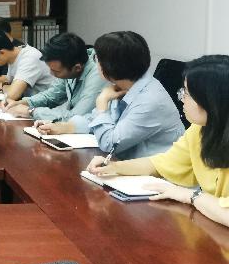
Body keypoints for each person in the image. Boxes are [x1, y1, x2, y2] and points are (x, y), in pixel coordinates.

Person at [87, 55, 229, 228]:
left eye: (186, 93)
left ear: (211, 101)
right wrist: (114, 167)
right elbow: (160, 164)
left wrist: (190, 196)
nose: (181, 98)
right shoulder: (199, 130)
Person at [40, 31, 184, 160]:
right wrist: (65, 127)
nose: (94, 62)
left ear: (108, 67)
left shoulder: (150, 101)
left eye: (96, 59)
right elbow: (99, 121)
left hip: (158, 176)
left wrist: (102, 103)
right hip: (126, 165)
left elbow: (109, 144)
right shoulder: (125, 84)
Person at [3, 32, 106, 121]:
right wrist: (24, 103)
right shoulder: (71, 63)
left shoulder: (98, 73)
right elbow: (52, 95)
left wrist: (31, 111)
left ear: (77, 68)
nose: (52, 74)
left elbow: (77, 117)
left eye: (56, 71)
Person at [0, 26, 55, 101]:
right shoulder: (15, 56)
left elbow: (13, 94)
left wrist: (2, 86)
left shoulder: (29, 57)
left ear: (2, 53)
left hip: (48, 107)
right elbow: (9, 80)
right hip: (33, 103)